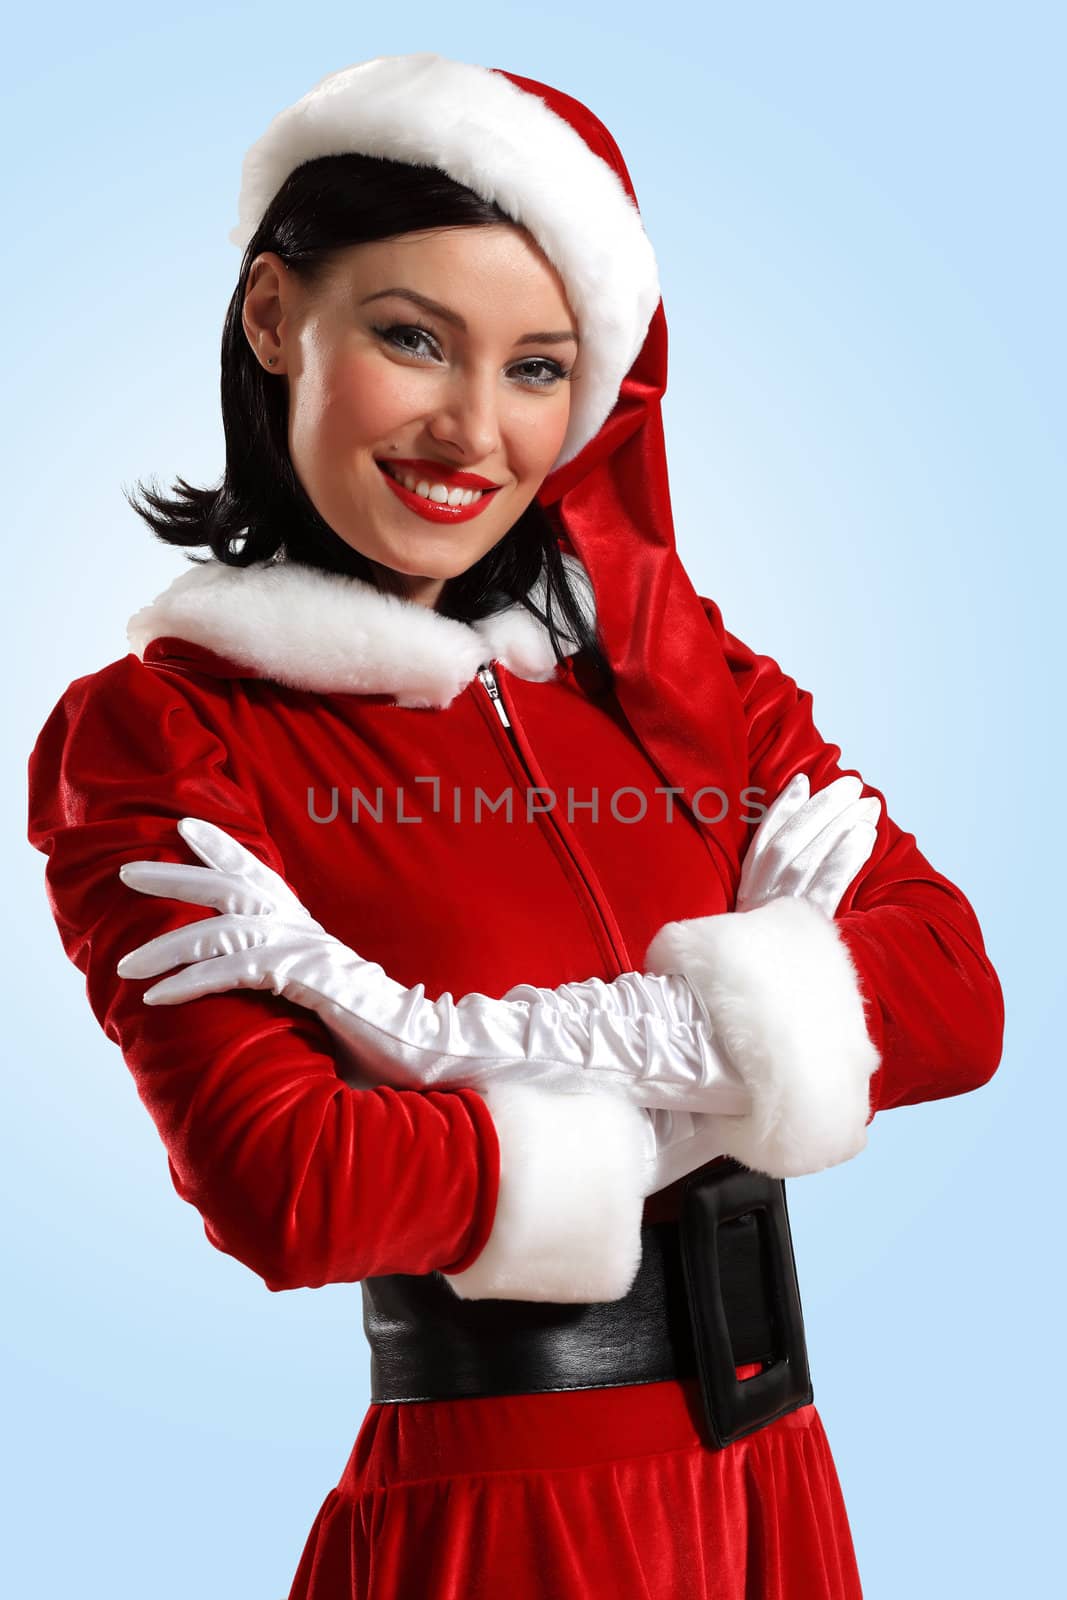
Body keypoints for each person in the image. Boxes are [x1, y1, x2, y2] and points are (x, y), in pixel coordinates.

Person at [25, 54, 1005, 1599]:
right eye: (414, 338)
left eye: (538, 368)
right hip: (508, 1526)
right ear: (276, 316)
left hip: (781, 1493)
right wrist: (763, 1036)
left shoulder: (684, 675)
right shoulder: (162, 734)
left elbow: (954, 997)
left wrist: (421, 1039)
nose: (470, 432)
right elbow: (294, 1184)